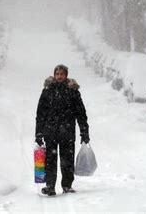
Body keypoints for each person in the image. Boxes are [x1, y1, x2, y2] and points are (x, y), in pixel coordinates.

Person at [35, 64, 90, 196]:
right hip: (50, 132)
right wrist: (38, 133)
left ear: (66, 75)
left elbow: (81, 113)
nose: (59, 76)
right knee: (50, 161)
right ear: (54, 75)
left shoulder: (73, 91)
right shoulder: (47, 90)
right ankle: (50, 186)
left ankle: (67, 185)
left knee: (67, 161)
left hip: (67, 133)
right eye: (57, 74)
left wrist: (84, 132)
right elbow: (40, 114)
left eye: (62, 74)